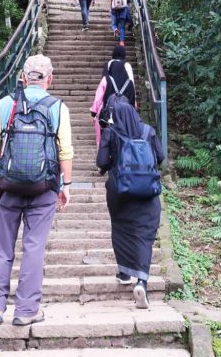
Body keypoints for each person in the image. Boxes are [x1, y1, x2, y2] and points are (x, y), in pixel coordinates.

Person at [0, 55, 73, 326]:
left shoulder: (6, 104)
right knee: (34, 247)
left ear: (23, 77)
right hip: (44, 187)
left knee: (1, 245)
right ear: (50, 79)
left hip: (7, 186)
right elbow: (65, 150)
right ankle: (26, 310)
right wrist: (65, 185)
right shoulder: (58, 107)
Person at [95, 95, 164, 309]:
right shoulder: (148, 131)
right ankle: (142, 281)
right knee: (144, 234)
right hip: (147, 191)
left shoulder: (110, 132)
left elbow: (100, 162)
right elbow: (160, 158)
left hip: (119, 190)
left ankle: (124, 272)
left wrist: (111, 164)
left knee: (122, 229)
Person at [90, 45, 136, 145]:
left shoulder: (106, 78)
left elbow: (98, 97)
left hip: (107, 112)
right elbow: (132, 98)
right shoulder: (130, 83)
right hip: (124, 113)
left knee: (103, 140)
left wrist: (94, 113)